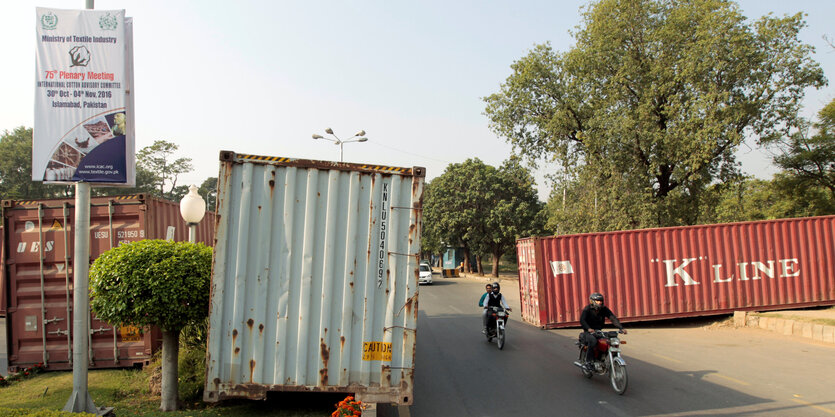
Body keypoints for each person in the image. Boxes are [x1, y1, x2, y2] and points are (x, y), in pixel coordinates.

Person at [580, 292, 626, 369]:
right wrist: (588, 328)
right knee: (593, 341)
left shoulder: (604, 309)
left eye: (600, 301)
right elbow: (582, 320)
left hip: (599, 331)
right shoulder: (587, 309)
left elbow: (612, 318)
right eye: (597, 301)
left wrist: (621, 328)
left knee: (609, 341)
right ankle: (588, 361)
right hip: (588, 332)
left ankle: (604, 358)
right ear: (592, 301)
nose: (599, 302)